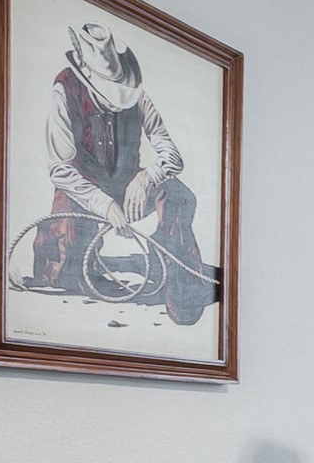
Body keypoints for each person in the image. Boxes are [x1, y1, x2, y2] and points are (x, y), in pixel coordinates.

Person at [22, 22, 218, 322]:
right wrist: (104, 204)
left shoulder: (136, 94)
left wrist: (147, 176)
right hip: (82, 192)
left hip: (128, 188)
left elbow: (172, 155)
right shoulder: (65, 89)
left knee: (178, 195)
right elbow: (60, 169)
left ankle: (179, 282)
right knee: (65, 269)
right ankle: (78, 266)